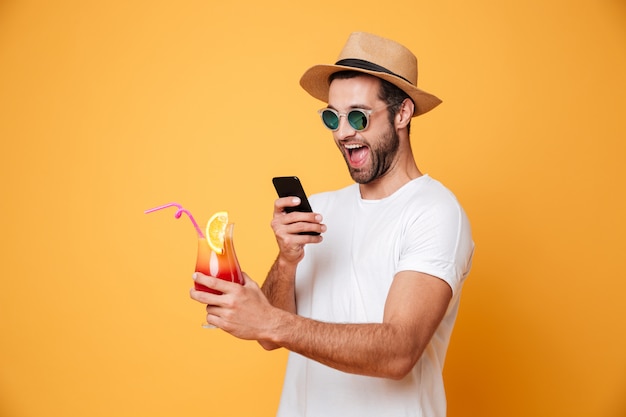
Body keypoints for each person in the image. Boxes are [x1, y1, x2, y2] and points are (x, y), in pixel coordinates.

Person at [190, 32, 474, 417]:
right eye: (332, 117)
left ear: (402, 114)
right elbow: (270, 338)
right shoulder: (321, 209)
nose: (342, 133)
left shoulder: (435, 211)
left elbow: (399, 352)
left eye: (358, 116)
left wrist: (271, 322)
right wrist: (287, 259)